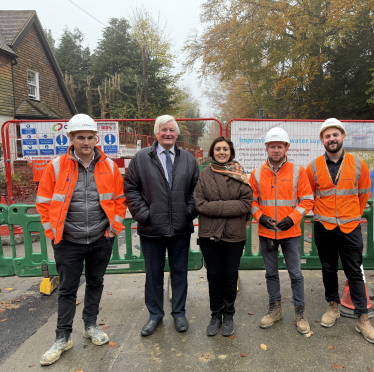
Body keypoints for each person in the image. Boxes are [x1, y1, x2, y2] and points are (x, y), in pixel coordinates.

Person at [36, 114, 126, 365]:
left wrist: (114, 228)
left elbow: (119, 200)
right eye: (80, 137)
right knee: (67, 289)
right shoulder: (55, 167)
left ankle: (90, 325)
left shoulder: (108, 166)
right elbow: (43, 203)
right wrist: (52, 232)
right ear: (71, 138)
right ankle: (62, 337)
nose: (86, 143)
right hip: (68, 241)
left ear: (96, 138)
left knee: (96, 283)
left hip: (100, 238)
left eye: (90, 137)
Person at [124, 114, 199, 336]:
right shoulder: (140, 158)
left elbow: (197, 189)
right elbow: (131, 188)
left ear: (177, 134)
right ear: (156, 133)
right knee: (153, 275)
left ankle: (179, 313)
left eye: (172, 130)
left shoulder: (188, 159)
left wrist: (187, 212)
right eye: (163, 130)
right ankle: (155, 315)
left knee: (179, 273)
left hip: (180, 228)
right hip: (151, 229)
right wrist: (144, 214)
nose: (168, 133)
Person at [306, 118, 374, 343]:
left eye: (335, 135)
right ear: (322, 140)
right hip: (324, 227)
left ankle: (363, 319)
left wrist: (351, 212)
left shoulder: (358, 164)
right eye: (327, 136)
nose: (331, 139)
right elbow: (310, 196)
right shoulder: (314, 166)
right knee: (328, 269)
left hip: (350, 226)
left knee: (355, 272)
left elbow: (364, 193)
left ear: (343, 137)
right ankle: (332, 306)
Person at [249, 127, 314, 334]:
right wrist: (260, 217)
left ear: (286, 148)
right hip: (267, 232)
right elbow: (251, 201)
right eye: (272, 146)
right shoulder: (257, 173)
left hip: (291, 233)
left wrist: (292, 218)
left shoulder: (298, 171)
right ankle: (275, 309)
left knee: (296, 274)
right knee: (271, 273)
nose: (276, 150)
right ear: (266, 148)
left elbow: (307, 200)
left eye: (280, 146)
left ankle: (300, 313)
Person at [194, 136, 252, 336]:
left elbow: (246, 204)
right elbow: (199, 204)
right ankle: (215, 314)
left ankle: (228, 314)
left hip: (234, 235)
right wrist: (229, 206)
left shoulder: (240, 174)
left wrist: (215, 206)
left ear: (231, 152)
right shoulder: (205, 175)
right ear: (212, 152)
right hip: (209, 235)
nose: (221, 152)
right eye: (218, 149)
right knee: (214, 276)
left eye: (225, 149)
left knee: (230, 276)